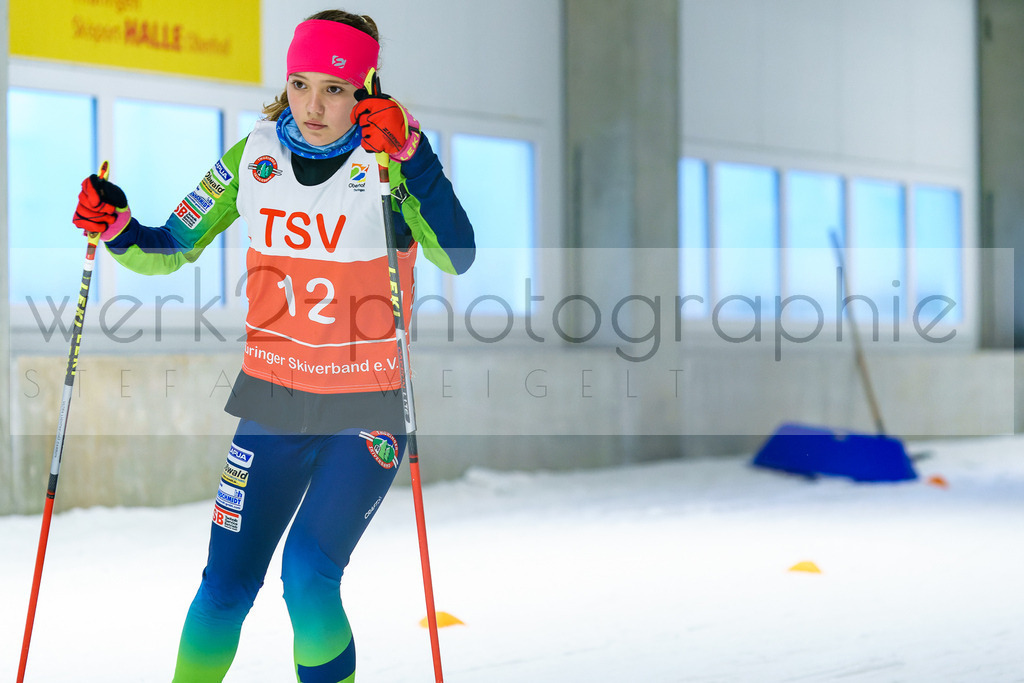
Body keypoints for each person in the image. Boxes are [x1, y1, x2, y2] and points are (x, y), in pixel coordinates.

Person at [71, 9, 475, 682]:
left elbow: (457, 254)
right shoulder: (252, 158)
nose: (314, 105)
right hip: (273, 404)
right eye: (300, 83)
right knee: (223, 587)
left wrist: (415, 156)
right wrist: (115, 227)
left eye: (336, 88)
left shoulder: (390, 163)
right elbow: (169, 246)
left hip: (365, 407)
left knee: (308, 574)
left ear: (366, 88)